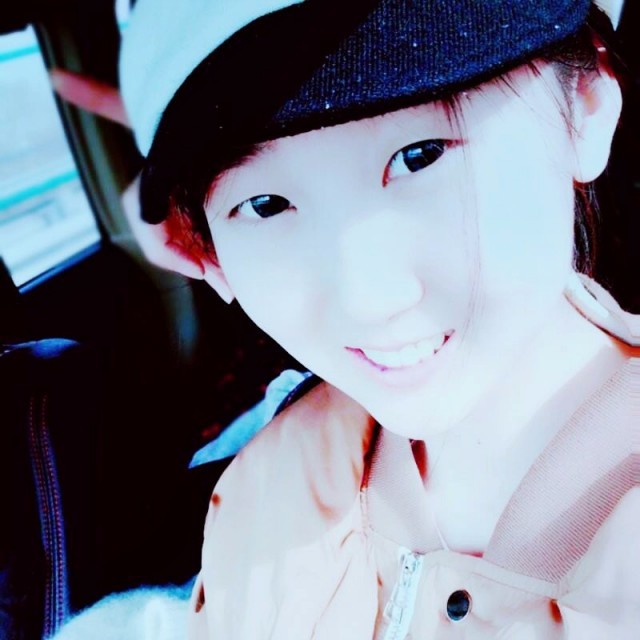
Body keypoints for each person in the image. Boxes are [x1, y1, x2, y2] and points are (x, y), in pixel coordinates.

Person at [53, 0, 638, 638]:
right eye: (265, 204)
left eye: (420, 155)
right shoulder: (264, 487)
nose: (367, 299)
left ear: (585, 107)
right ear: (207, 253)